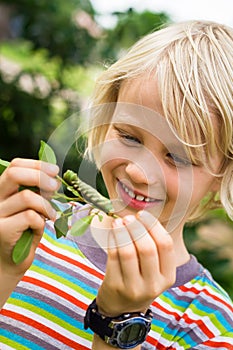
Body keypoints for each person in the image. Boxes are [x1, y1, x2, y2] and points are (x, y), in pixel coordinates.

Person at [0, 19, 233, 350]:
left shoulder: (210, 326)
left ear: (223, 174)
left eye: (178, 158)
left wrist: (121, 325)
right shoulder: (29, 227)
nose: (139, 172)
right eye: (128, 136)